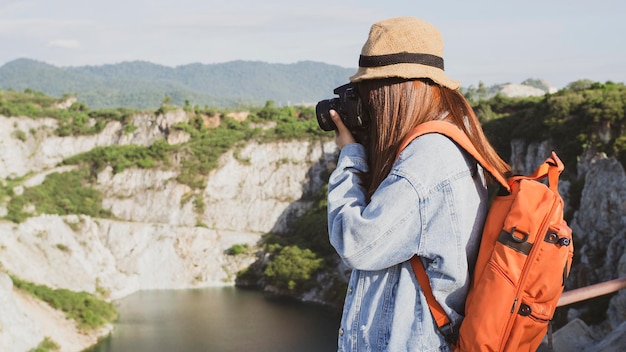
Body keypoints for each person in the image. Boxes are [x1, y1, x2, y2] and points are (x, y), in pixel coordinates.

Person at [326, 17, 511, 351]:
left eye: (369, 94)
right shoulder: (453, 136)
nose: (366, 105)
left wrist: (351, 154)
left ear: (392, 93)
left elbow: (357, 243)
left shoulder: (428, 160)